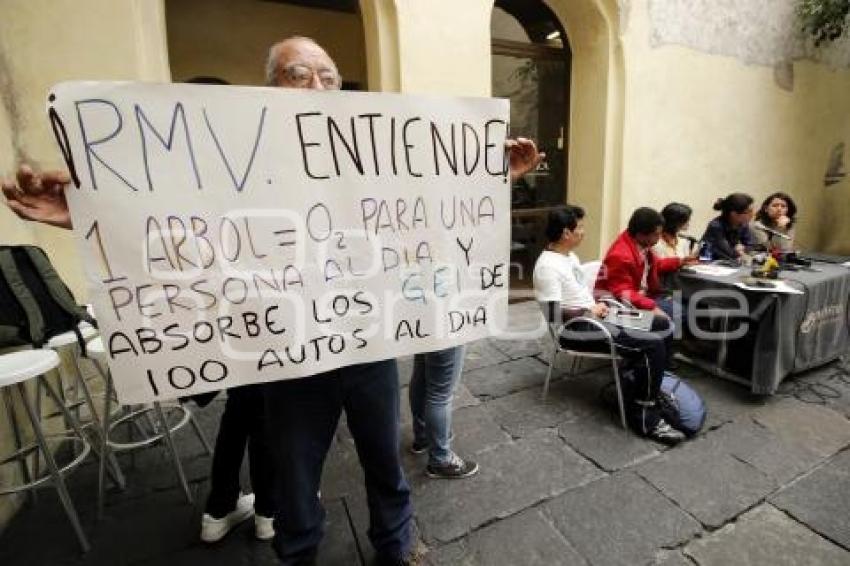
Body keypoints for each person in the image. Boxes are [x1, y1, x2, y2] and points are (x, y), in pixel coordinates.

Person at [4, 35, 543, 564]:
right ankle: (299, 549)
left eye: (328, 75)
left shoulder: (370, 158)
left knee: (384, 457)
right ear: (269, 88)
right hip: (288, 357)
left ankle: (395, 543)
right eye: (298, 73)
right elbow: (168, 220)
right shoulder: (232, 161)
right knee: (293, 472)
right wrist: (88, 214)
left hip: (368, 344)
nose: (316, 84)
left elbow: (432, 205)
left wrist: (491, 178)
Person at [409, 144, 543, 480]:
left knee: (423, 374)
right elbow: (481, 216)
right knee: (440, 387)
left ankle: (423, 437)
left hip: (417, 305)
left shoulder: (409, 204)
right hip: (448, 307)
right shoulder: (450, 214)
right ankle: (439, 458)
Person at [533, 206, 685, 444]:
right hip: (577, 329)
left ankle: (642, 389)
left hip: (597, 317)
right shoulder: (546, 267)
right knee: (651, 346)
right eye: (580, 227)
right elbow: (552, 313)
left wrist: (600, 306)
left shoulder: (568, 256)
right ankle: (646, 416)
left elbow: (581, 294)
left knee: (661, 325)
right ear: (565, 233)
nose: (583, 232)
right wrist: (588, 310)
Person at [594, 207, 694, 320]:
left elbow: (657, 264)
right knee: (682, 312)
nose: (659, 238)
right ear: (641, 234)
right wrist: (651, 307)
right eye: (656, 234)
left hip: (642, 297)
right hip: (622, 306)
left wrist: (680, 261)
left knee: (688, 304)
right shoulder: (620, 256)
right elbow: (623, 292)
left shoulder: (639, 244)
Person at [700, 193, 755, 260]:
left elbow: (751, 245)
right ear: (733, 214)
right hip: (710, 262)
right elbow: (728, 253)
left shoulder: (742, 224)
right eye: (749, 212)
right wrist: (739, 251)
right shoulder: (716, 226)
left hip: (728, 263)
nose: (752, 214)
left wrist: (743, 248)